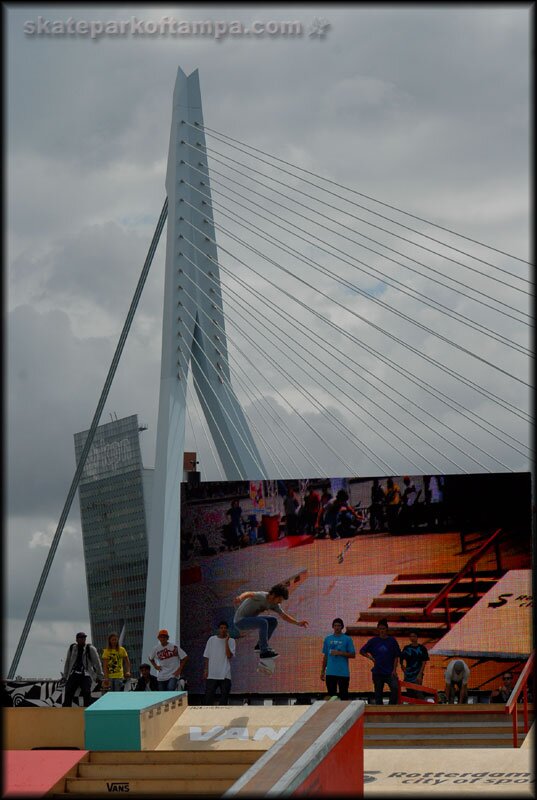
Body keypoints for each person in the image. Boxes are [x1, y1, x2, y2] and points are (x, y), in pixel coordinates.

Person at [233, 583, 309, 660]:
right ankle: (264, 651)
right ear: (274, 595)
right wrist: (240, 598)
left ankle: (260, 646)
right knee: (263, 622)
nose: (280, 602)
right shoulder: (261, 596)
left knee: (273, 621)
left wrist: (298, 623)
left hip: (250, 620)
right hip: (240, 621)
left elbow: (284, 616)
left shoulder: (274, 605)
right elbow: (249, 593)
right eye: (279, 599)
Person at [360, 619, 401, 705]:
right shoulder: (373, 641)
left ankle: (390, 707)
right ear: (378, 630)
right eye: (380, 629)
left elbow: (396, 656)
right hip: (377, 672)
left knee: (395, 688)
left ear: (387, 629)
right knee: (378, 694)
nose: (382, 630)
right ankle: (380, 711)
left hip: (390, 672)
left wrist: (394, 670)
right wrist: (370, 657)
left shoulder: (392, 641)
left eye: (383, 628)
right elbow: (362, 651)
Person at [62, 632, 104, 707]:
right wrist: (65, 676)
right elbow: (67, 662)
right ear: (76, 639)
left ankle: (86, 710)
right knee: (68, 691)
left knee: (87, 692)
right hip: (74, 674)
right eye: (81, 638)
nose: (83, 639)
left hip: (86, 674)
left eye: (84, 638)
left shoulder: (90, 648)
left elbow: (97, 663)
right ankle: (66, 710)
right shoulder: (72, 648)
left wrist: (100, 676)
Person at [320, 618, 356, 700]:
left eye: (339, 626)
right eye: (335, 625)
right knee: (332, 697)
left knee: (344, 697)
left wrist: (340, 653)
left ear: (342, 627)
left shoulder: (347, 639)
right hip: (330, 672)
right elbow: (326, 656)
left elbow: (353, 654)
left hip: (343, 672)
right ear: (332, 627)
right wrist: (322, 671)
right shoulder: (328, 639)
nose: (337, 627)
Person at [203, 621, 236, 705]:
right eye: (221, 628)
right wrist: (206, 670)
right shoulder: (211, 639)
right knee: (208, 699)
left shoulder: (231, 641)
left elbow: (229, 656)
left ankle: (223, 717)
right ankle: (208, 716)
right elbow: (207, 655)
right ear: (218, 629)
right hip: (212, 674)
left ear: (227, 629)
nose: (223, 630)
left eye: (225, 628)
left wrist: (226, 642)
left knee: (224, 698)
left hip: (225, 674)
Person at [400, 631, 429, 697]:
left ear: (417, 637)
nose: (412, 638)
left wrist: (420, 673)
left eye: (414, 636)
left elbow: (424, 662)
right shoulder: (406, 648)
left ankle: (422, 706)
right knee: (410, 693)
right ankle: (411, 706)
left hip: (417, 673)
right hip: (408, 674)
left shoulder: (422, 648)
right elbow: (401, 658)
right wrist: (403, 668)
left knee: (418, 692)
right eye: (411, 636)